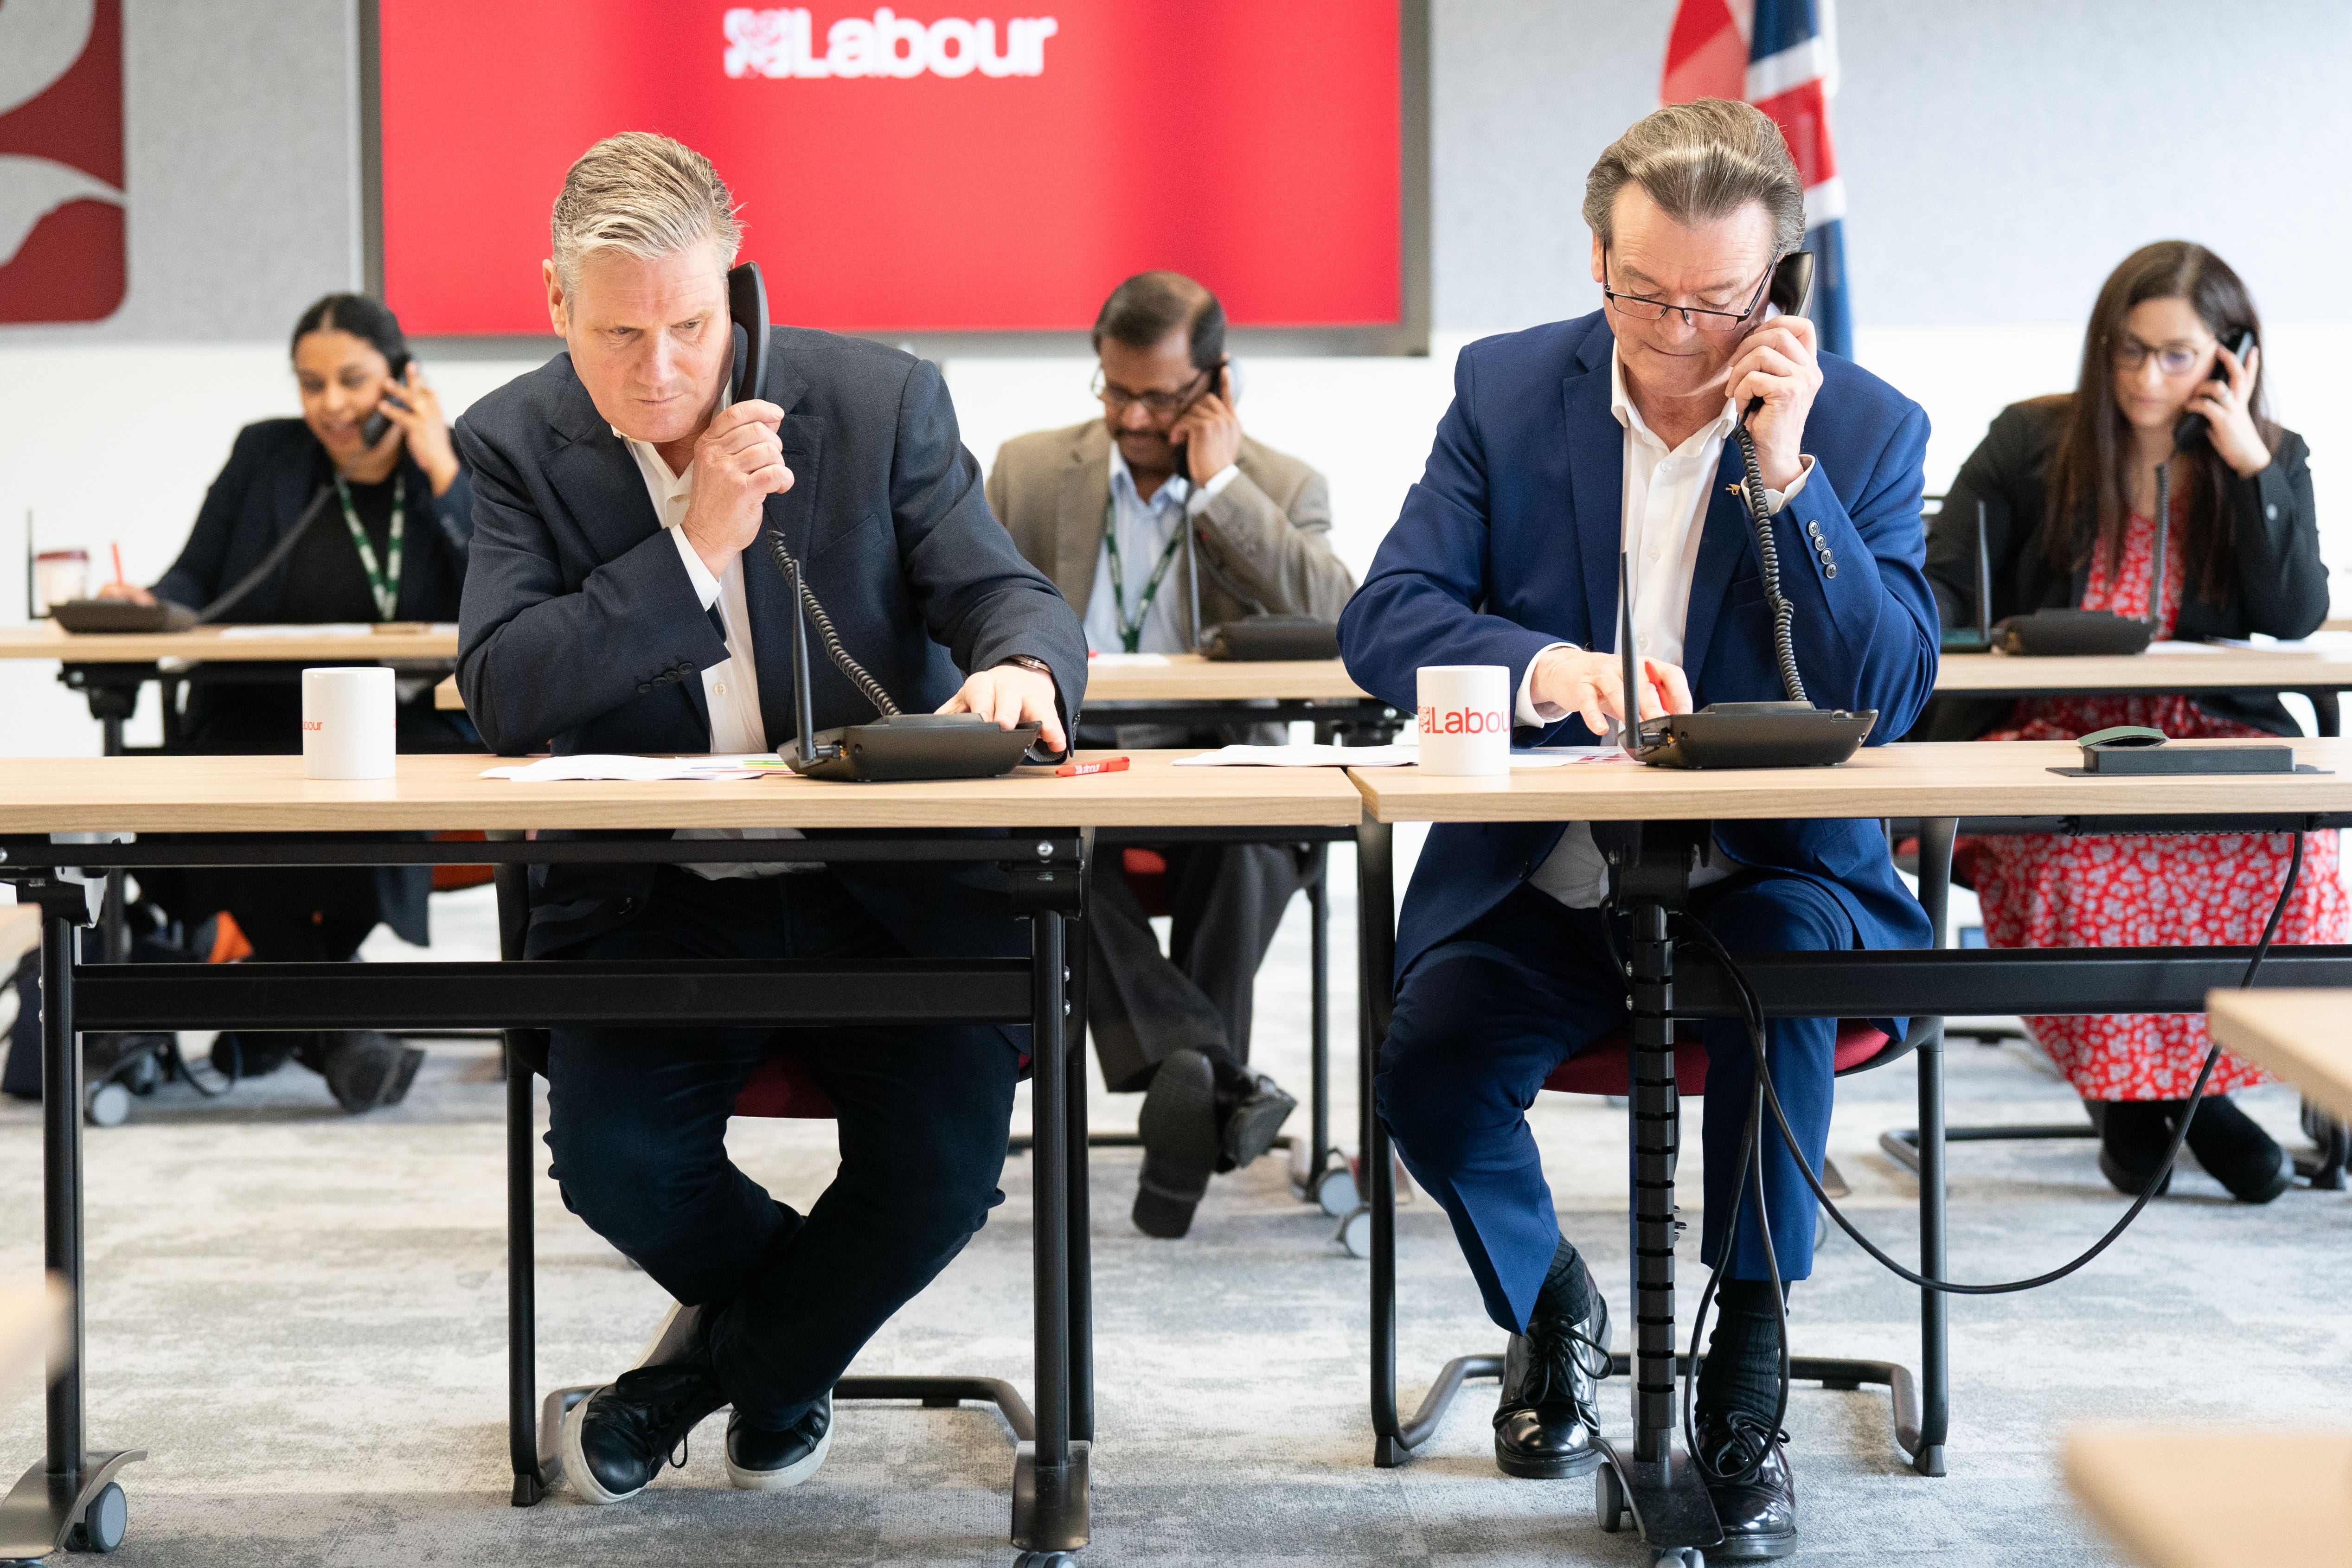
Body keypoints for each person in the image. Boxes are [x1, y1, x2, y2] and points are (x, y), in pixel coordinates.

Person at [1337, 100, 1937, 1558]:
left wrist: (1788, 475)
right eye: (1645, 294)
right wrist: (1547, 666)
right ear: (1596, 260)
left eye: (1719, 302)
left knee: (1778, 970)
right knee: (1426, 1063)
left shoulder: (1862, 423)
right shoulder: (1502, 389)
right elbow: (1386, 615)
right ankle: (1553, 1307)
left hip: (1763, 874)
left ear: (1776, 286)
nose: (1677, 334)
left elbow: (1892, 689)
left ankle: (1747, 1359)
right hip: (1549, 875)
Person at [455, 132, 1084, 1505]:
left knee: (939, 1167)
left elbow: (1005, 591)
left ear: (730, 286)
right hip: (656, 895)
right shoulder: (513, 441)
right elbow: (503, 686)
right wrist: (691, 550)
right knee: (616, 1163)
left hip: (895, 891)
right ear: (554, 303)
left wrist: (1026, 665)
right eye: (620, 332)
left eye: (691, 323)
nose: (664, 367)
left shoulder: (878, 400)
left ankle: (698, 1374)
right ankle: (786, 1351)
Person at [1924, 241, 2339, 1203]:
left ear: (2233, 356)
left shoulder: (2269, 456)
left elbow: (2291, 613)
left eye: (2178, 355)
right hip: (2051, 728)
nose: (2147, 377)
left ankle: (2169, 1100)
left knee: (2292, 853)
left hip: (2200, 727)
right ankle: (2149, 1104)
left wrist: (2249, 464)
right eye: (2128, 350)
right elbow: (1942, 588)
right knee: (2073, 858)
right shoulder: (2031, 442)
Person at [987, 270, 1356, 1238]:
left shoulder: (1276, 485)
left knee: (1253, 847)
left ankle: (1189, 1086)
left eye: (1159, 395)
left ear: (1214, 383)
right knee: (1047, 859)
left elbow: (1337, 620)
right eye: (1114, 390)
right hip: (1070, 757)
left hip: (1220, 757)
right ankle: (1211, 1082)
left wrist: (1220, 488)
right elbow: (967, 614)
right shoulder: (1028, 472)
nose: (1133, 416)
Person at [96, 292, 477, 1113]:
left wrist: (441, 464)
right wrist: (146, 602)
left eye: (351, 380)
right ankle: (336, 1020)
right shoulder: (267, 456)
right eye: (311, 384)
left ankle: (277, 1000)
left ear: (404, 378)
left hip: (405, 715)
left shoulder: (453, 463)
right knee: (218, 789)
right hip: (263, 709)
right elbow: (199, 578)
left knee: (369, 794)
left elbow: (500, 588)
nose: (331, 405)